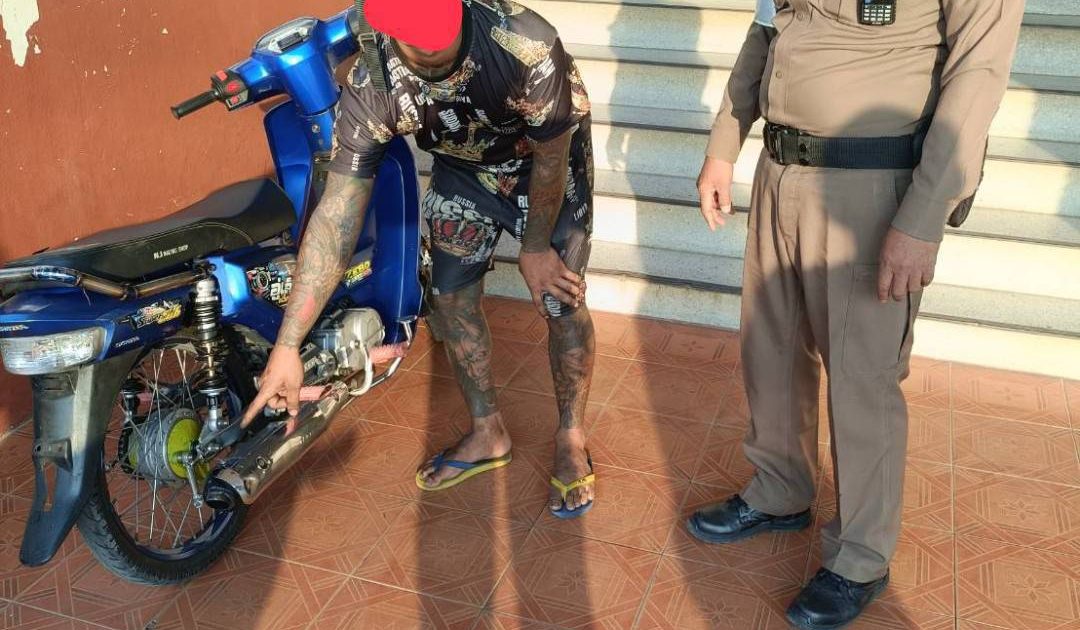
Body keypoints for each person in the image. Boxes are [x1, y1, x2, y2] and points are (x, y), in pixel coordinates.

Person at [692, 0, 1023, 627]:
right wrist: (724, 144)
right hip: (780, 170)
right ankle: (780, 489)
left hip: (870, 187)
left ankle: (861, 558)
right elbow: (767, 25)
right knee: (771, 349)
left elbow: (977, 74)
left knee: (862, 378)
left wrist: (922, 219)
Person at [240, 0, 598, 518]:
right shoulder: (373, 80)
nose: (432, 51)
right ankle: (488, 432)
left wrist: (536, 247)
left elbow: (552, 156)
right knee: (450, 299)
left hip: (546, 166)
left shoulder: (526, 45)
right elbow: (336, 217)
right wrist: (288, 345)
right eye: (418, 43)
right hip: (463, 170)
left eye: (441, 35)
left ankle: (571, 435)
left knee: (561, 299)